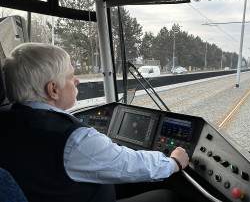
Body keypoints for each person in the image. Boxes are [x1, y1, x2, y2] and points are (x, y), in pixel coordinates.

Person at [0, 43, 190, 202]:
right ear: (53, 89)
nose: (77, 81)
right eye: (70, 76)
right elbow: (129, 164)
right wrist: (173, 163)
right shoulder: (73, 138)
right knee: (168, 196)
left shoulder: (5, 118)